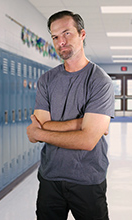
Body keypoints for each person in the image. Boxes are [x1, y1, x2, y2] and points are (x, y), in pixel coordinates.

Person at [26, 10, 114, 220]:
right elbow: (38, 128)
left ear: (82, 34)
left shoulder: (99, 81)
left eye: (67, 34)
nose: (60, 42)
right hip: (50, 178)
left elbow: (87, 140)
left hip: (88, 180)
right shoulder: (47, 80)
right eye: (55, 37)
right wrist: (84, 124)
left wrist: (41, 131)